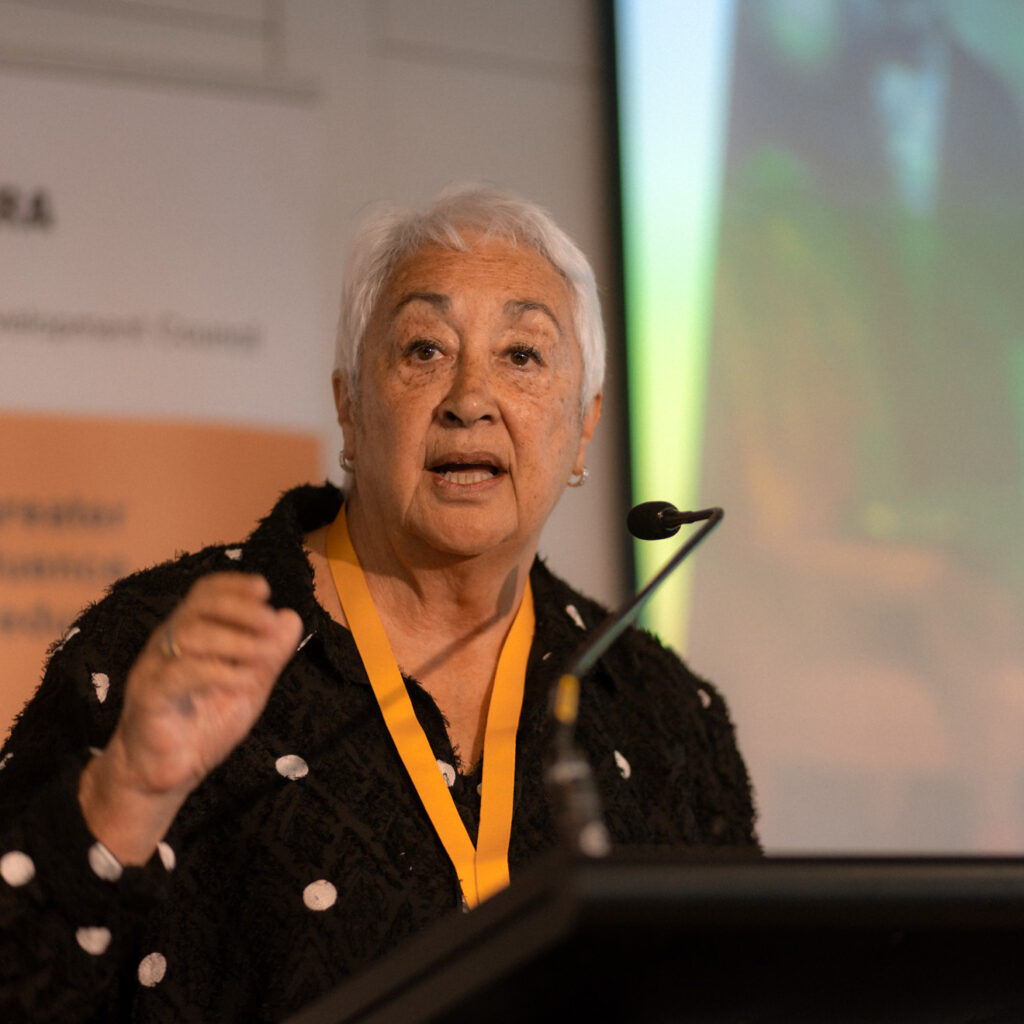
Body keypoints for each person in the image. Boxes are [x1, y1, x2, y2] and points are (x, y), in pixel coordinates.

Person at [0, 184, 757, 1022]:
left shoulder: (664, 716)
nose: (470, 398)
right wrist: (128, 794)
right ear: (350, 411)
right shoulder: (153, 652)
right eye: (425, 349)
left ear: (583, 427)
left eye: (523, 356)